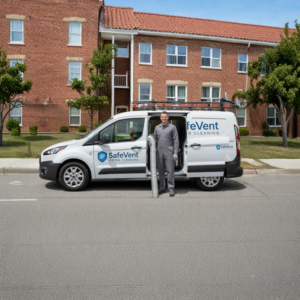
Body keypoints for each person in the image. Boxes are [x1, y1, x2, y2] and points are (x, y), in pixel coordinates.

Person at [154, 111, 179, 197]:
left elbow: (176, 141)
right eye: (162, 117)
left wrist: (175, 152)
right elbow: (154, 140)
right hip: (159, 152)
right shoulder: (157, 128)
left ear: (168, 117)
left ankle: (171, 188)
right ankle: (162, 187)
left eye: (165, 117)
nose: (164, 118)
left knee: (170, 171)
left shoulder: (172, 127)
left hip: (169, 152)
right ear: (160, 118)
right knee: (160, 171)